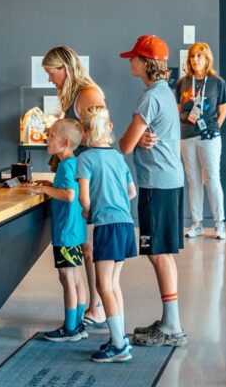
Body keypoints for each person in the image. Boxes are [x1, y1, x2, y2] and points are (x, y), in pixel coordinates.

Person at [117, 35, 188, 348]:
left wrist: (136, 139)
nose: (130, 62)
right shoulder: (164, 93)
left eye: (134, 58)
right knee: (162, 253)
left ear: (145, 64)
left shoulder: (149, 98)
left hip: (156, 184)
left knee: (158, 253)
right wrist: (144, 137)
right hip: (169, 181)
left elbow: (125, 145)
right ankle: (170, 320)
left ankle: (172, 326)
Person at [41, 45, 107, 328]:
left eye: (51, 73)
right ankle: (90, 306)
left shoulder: (88, 93)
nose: (49, 79)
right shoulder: (72, 94)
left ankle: (97, 306)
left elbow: (102, 131)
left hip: (88, 178)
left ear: (65, 69)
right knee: (86, 248)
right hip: (79, 175)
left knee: (90, 248)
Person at [76, 105, 137, 363]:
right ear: (109, 128)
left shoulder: (85, 160)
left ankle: (119, 345)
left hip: (106, 226)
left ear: (85, 133)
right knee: (113, 284)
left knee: (104, 287)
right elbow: (131, 192)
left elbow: (84, 198)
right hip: (125, 224)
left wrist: (88, 211)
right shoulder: (117, 158)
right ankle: (118, 337)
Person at [25, 119, 89, 342]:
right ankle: (78, 323)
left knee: (66, 277)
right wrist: (50, 186)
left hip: (65, 232)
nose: (47, 138)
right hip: (76, 230)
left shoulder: (64, 166)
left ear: (65, 142)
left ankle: (69, 328)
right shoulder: (74, 164)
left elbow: (69, 195)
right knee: (77, 276)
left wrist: (43, 189)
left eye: (51, 135)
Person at [176, 42, 226, 240]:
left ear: (207, 58)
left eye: (199, 56)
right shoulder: (183, 82)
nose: (195, 60)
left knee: (212, 178)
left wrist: (215, 128)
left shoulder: (217, 82)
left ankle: (219, 223)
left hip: (209, 137)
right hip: (187, 136)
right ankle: (197, 223)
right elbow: (178, 110)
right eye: (192, 56)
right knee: (193, 180)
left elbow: (223, 109)